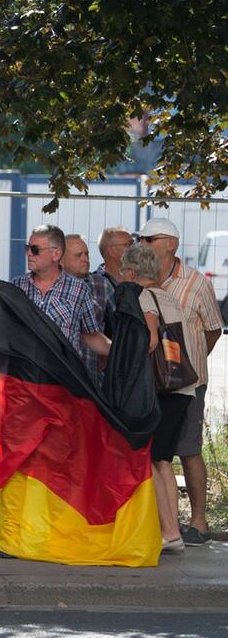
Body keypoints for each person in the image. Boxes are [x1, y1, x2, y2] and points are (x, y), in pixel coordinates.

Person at [136, 218, 223, 546]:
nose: (143, 243)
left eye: (149, 238)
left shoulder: (196, 283)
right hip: (151, 384)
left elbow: (214, 328)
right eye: (142, 239)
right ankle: (162, 523)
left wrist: (191, 361)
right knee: (156, 453)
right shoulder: (142, 279)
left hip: (188, 383)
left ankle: (198, 522)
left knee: (188, 449)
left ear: (170, 243)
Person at [118, 245, 196, 553]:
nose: (122, 277)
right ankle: (171, 530)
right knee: (163, 461)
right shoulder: (168, 296)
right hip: (181, 389)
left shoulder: (144, 297)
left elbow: (150, 340)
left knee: (153, 461)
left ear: (134, 273)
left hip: (163, 390)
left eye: (124, 271)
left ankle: (168, 531)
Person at [11, 225, 111, 371]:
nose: (29, 254)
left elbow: (91, 335)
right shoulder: (16, 286)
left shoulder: (78, 289)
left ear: (56, 254)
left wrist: (122, 351)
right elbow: (1, 327)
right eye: (27, 248)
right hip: (25, 379)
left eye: (35, 249)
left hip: (63, 381)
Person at [62, 233, 106, 386]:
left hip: (90, 375)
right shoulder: (42, 287)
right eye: (78, 255)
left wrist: (110, 354)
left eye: (87, 254)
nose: (86, 259)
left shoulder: (101, 285)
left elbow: (118, 321)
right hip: (53, 374)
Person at [94, 226, 134, 316]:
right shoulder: (95, 285)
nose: (135, 249)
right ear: (112, 251)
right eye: (129, 244)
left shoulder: (138, 278)